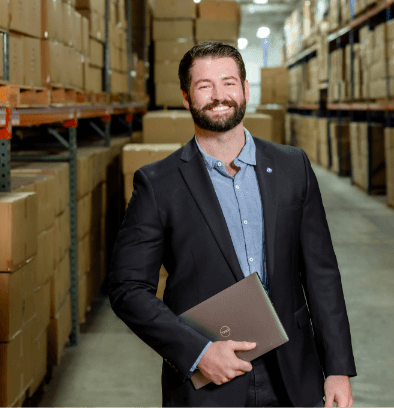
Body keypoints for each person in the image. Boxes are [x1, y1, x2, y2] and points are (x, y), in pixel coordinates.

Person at [107, 41, 357, 407]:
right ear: (186, 97)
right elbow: (127, 288)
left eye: (228, 83)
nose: (218, 95)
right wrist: (198, 352)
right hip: (210, 379)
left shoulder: (293, 167)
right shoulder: (159, 184)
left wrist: (337, 368)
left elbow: (321, 274)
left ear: (245, 90)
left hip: (292, 370)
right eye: (204, 85)